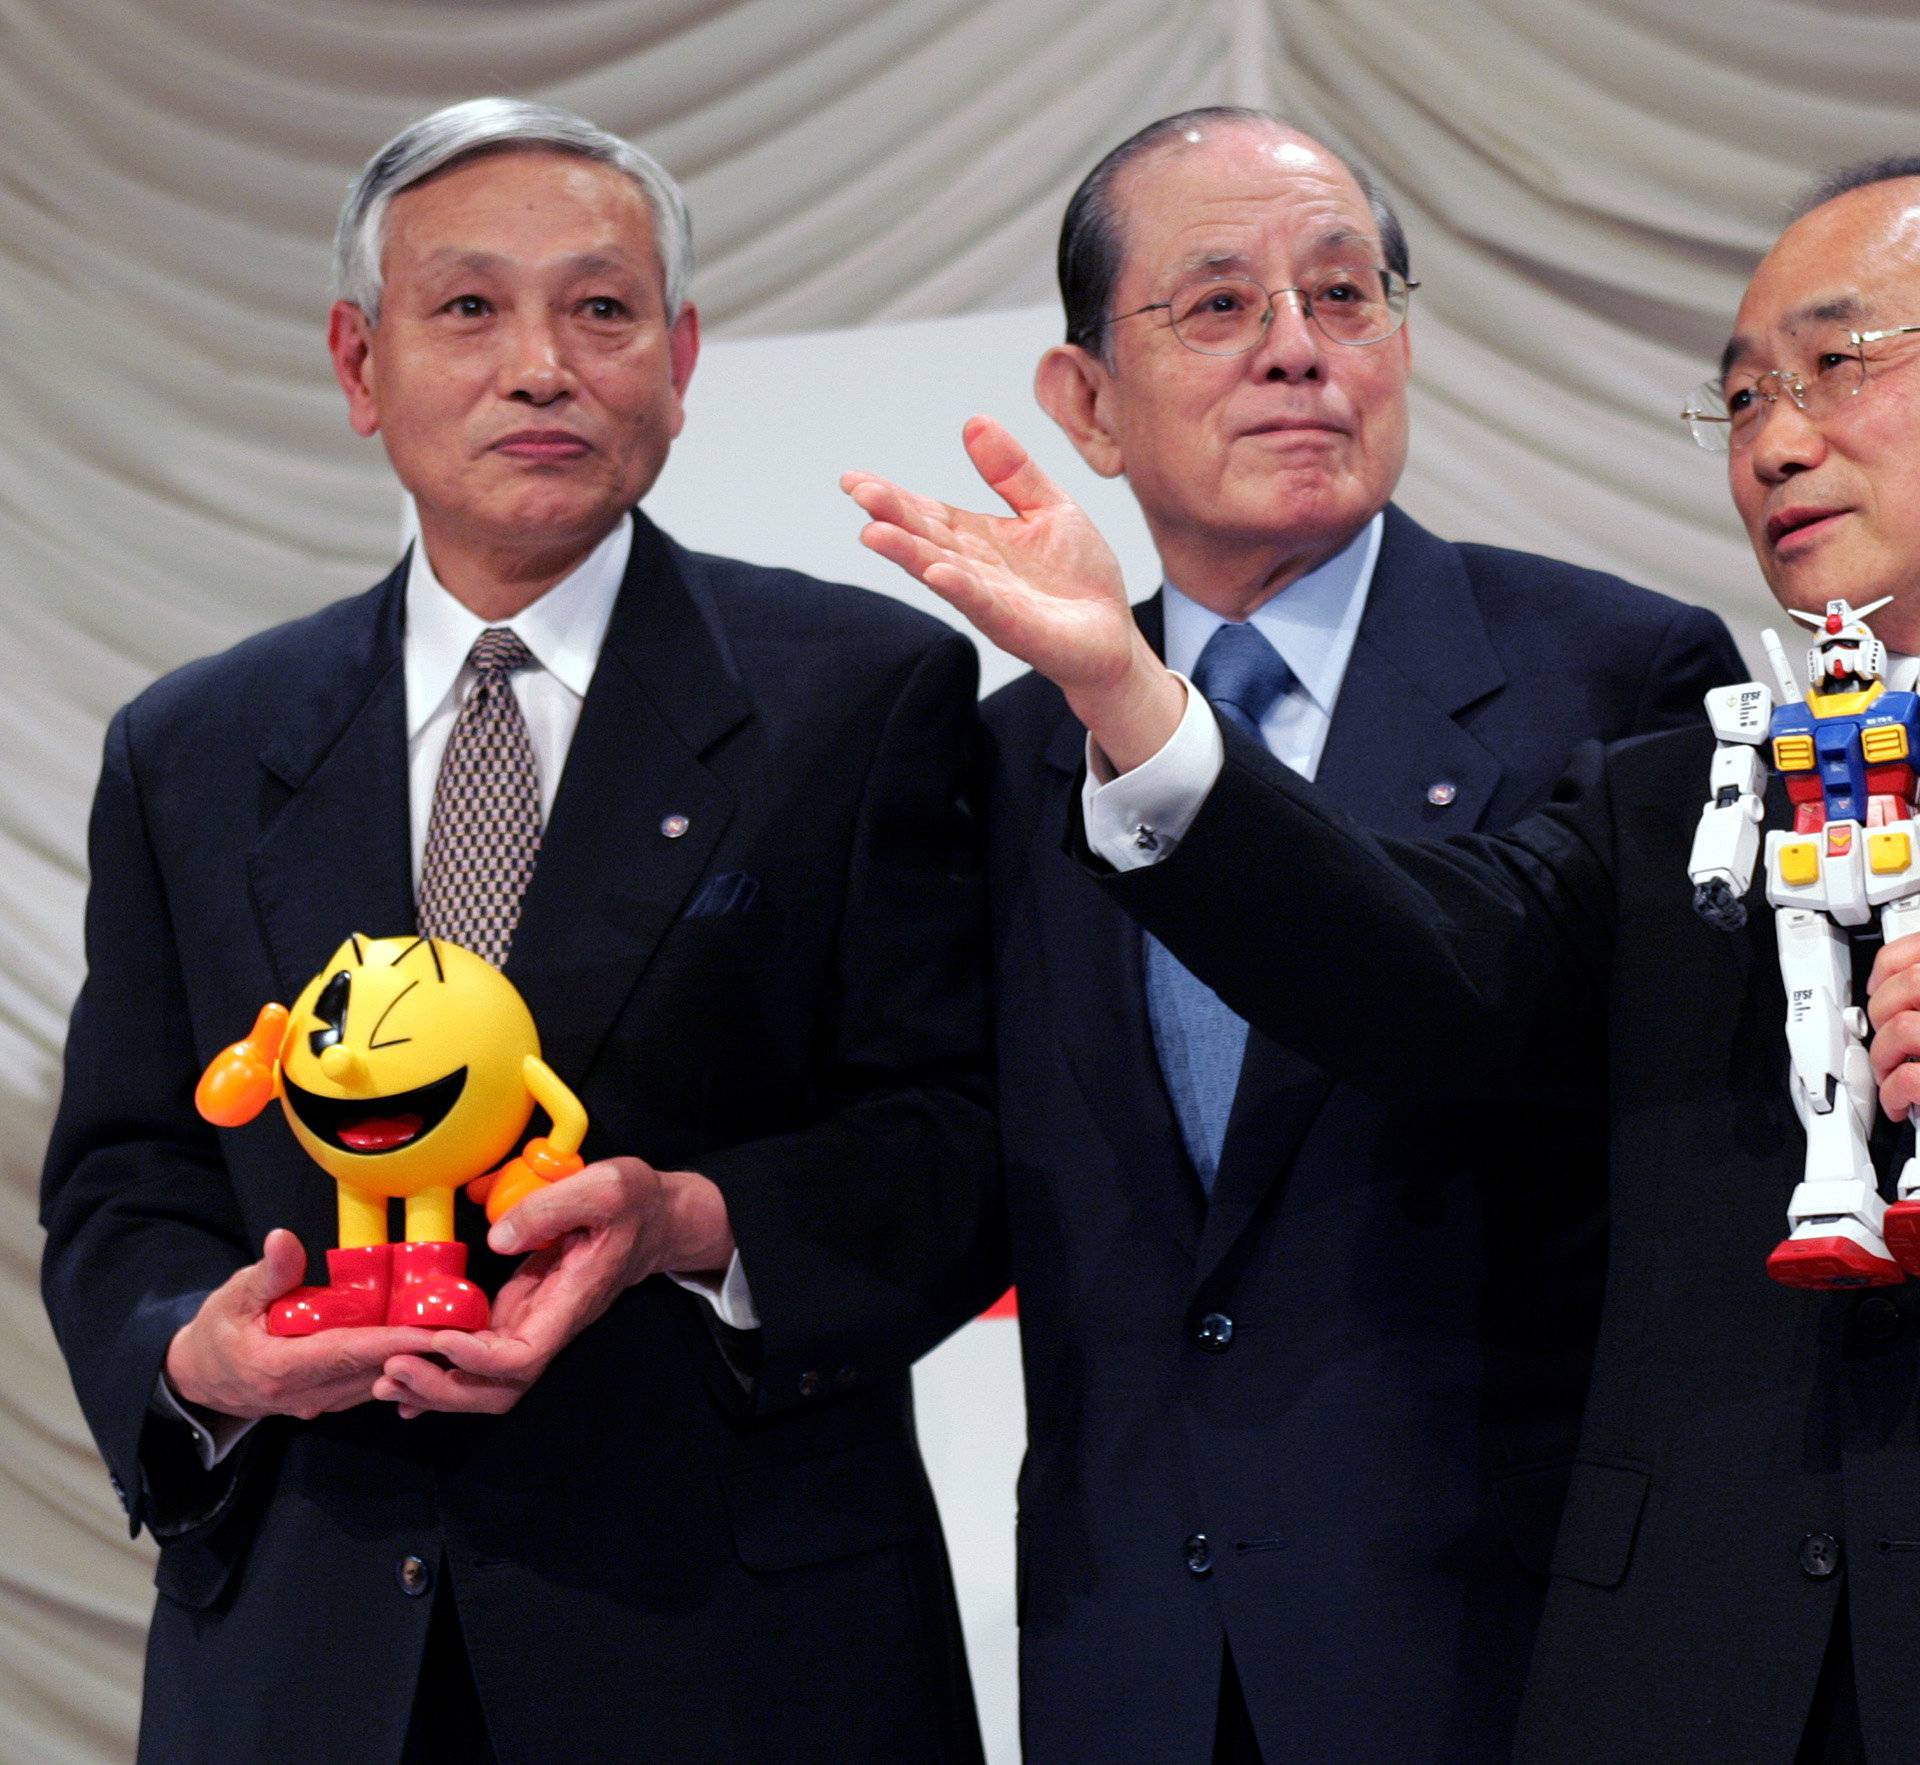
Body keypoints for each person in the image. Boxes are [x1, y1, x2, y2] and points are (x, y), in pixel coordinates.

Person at [849, 157, 1920, 1760]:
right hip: (1661, 1663)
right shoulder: (1705, 776)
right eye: (1745, 393)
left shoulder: (1620, 668)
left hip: (1502, 1628)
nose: (1775, 437)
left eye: (1838, 364)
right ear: (1087, 397)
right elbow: (1435, 976)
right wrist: (1130, 703)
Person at [41, 98, 998, 1763]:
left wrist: (693, 1219)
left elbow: (963, 1144)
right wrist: (198, 1355)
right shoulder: (190, 746)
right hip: (307, 1654)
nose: (541, 365)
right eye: (468, 307)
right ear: (358, 365)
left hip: (736, 1654)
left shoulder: (859, 697)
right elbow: (126, 1179)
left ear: (682, 361)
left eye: (603, 309)